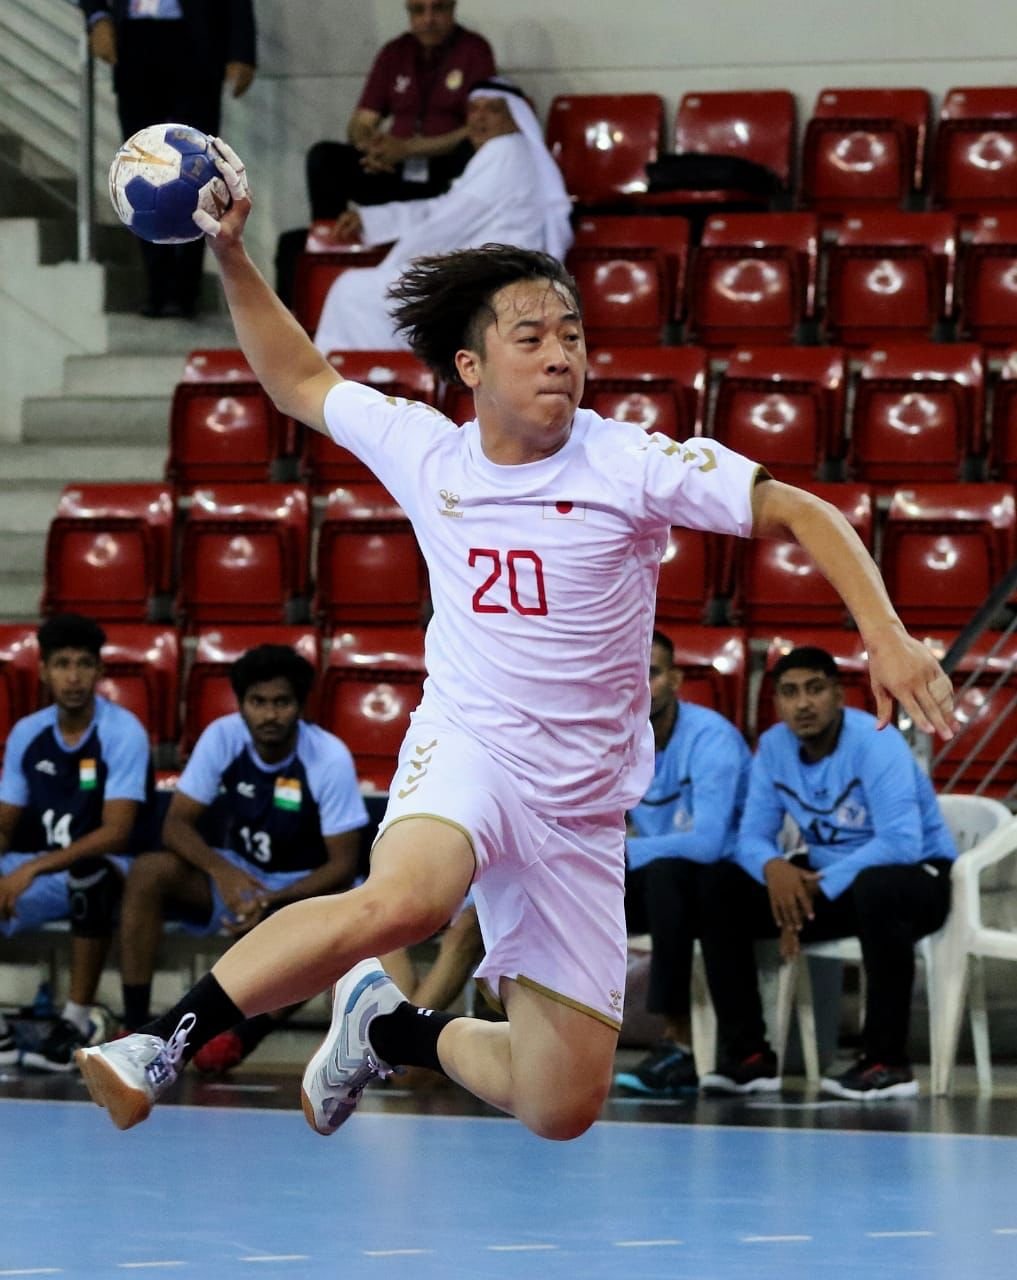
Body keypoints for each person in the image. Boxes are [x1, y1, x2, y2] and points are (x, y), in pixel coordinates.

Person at [75, 138, 957, 1139]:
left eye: (572, 336)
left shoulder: (629, 463)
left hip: (581, 805)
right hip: (474, 748)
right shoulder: (428, 451)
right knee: (405, 901)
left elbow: (800, 508)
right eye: (531, 337)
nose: (560, 355)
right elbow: (298, 378)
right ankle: (158, 1042)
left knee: (558, 1102)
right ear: (471, 367)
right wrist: (233, 256)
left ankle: (385, 1026)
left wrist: (885, 634)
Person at [697, 646, 958, 1101]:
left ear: (838, 695)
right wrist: (775, 868)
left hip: (917, 877)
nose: (803, 703)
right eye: (790, 692)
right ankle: (749, 1057)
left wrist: (809, 889)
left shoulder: (876, 740)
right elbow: (750, 837)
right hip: (830, 884)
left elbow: (901, 843)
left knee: (877, 887)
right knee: (718, 887)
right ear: (777, 702)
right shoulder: (774, 747)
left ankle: (888, 1063)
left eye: (815, 689)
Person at [117, 644, 367, 1074]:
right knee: (148, 871)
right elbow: (175, 825)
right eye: (258, 702)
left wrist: (271, 901)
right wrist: (225, 873)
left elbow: (343, 865)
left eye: (281, 702)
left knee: (334, 926)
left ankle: (244, 1036)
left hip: (303, 888)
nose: (269, 714)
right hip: (238, 873)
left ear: (301, 706)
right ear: (241, 704)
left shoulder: (329, 756)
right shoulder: (222, 737)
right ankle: (137, 1028)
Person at [312, 79, 573, 353]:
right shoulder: (506, 153)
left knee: (352, 290)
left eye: (493, 109)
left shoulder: (506, 150)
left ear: (517, 118)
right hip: (492, 275)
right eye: (474, 109)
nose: (480, 118)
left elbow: (449, 220)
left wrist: (401, 260)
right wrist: (372, 218)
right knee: (356, 289)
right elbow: (444, 208)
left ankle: (359, 376)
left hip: (496, 281)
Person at [0, 614, 150, 1072]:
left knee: (90, 875)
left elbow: (116, 832)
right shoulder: (28, 732)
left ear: (99, 671)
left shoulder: (123, 731)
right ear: (44, 671)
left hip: (109, 867)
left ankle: (75, 1022)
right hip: (39, 868)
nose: (73, 677)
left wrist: (32, 868)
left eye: (84, 664)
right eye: (62, 664)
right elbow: (5, 823)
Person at [276, 0, 495, 307]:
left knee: (469, 153)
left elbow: (477, 128)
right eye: (418, 11)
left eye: (438, 9)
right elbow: (360, 121)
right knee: (324, 157)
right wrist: (372, 146)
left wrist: (408, 149)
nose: (428, 19)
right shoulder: (395, 52)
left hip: (443, 173)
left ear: (453, 8)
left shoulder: (474, 50)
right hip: (393, 170)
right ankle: (332, 246)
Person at [614, 631, 751, 1099]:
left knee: (667, 877)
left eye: (651, 673)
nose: (640, 685)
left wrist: (625, 853)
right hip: (656, 875)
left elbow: (709, 844)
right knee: (564, 887)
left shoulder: (711, 739)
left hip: (724, 885)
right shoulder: (617, 739)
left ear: (674, 679)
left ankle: (679, 1044)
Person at [79, 0, 257, 318]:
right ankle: (156, 285)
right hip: (134, 42)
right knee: (139, 171)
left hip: (195, 41)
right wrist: (98, 16)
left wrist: (242, 49)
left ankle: (186, 288)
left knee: (198, 172)